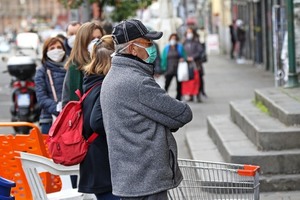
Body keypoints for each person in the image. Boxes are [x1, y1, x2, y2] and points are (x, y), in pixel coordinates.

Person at [100, 19, 193, 199]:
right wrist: (164, 120)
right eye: (147, 42)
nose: (152, 47)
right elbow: (182, 113)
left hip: (130, 177)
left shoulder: (113, 75)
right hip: (146, 178)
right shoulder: (137, 81)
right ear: (133, 49)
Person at [80, 35, 119, 200]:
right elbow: (96, 121)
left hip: (95, 160)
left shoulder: (90, 82)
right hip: (102, 162)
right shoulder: (103, 85)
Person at [62, 21, 105, 107]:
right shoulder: (75, 68)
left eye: (99, 38)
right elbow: (67, 103)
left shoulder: (107, 63)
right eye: (92, 39)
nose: (96, 42)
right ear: (83, 42)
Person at [34, 37, 67, 134]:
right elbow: (41, 97)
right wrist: (57, 108)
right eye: (52, 48)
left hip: (71, 119)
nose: (56, 50)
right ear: (46, 52)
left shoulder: (72, 67)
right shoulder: (42, 71)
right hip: (49, 120)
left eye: (59, 47)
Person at [161, 33, 187, 100]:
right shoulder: (166, 48)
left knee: (179, 85)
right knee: (167, 84)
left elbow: (185, 56)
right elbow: (163, 58)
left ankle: (178, 98)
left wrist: (183, 59)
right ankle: (165, 97)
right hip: (169, 69)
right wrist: (163, 68)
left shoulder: (180, 47)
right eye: (172, 39)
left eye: (175, 39)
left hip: (178, 69)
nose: (173, 40)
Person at [183, 27, 204, 102]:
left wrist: (193, 57)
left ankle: (198, 95)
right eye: (188, 32)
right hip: (187, 64)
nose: (189, 34)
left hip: (196, 64)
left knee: (197, 79)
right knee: (189, 80)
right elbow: (182, 52)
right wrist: (185, 58)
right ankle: (190, 94)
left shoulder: (196, 42)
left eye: (190, 32)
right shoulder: (184, 42)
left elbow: (200, 51)